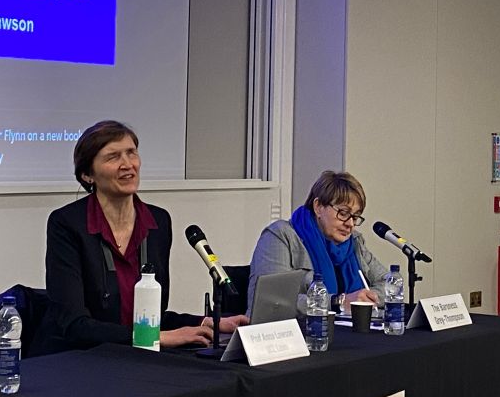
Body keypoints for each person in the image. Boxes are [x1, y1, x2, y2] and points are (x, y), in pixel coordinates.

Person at [31, 120, 247, 353]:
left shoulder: (157, 222)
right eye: (113, 157)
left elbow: (151, 317)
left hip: (136, 357)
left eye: (131, 153)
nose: (127, 164)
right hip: (78, 359)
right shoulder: (67, 224)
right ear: (87, 175)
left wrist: (206, 322)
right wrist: (156, 337)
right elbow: (74, 326)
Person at [247, 170, 387, 316]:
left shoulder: (354, 243)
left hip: (344, 332)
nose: (350, 224)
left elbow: (390, 283)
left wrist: (367, 298)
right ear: (318, 207)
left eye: (355, 216)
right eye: (343, 213)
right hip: (290, 333)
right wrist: (338, 302)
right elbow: (274, 300)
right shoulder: (281, 236)